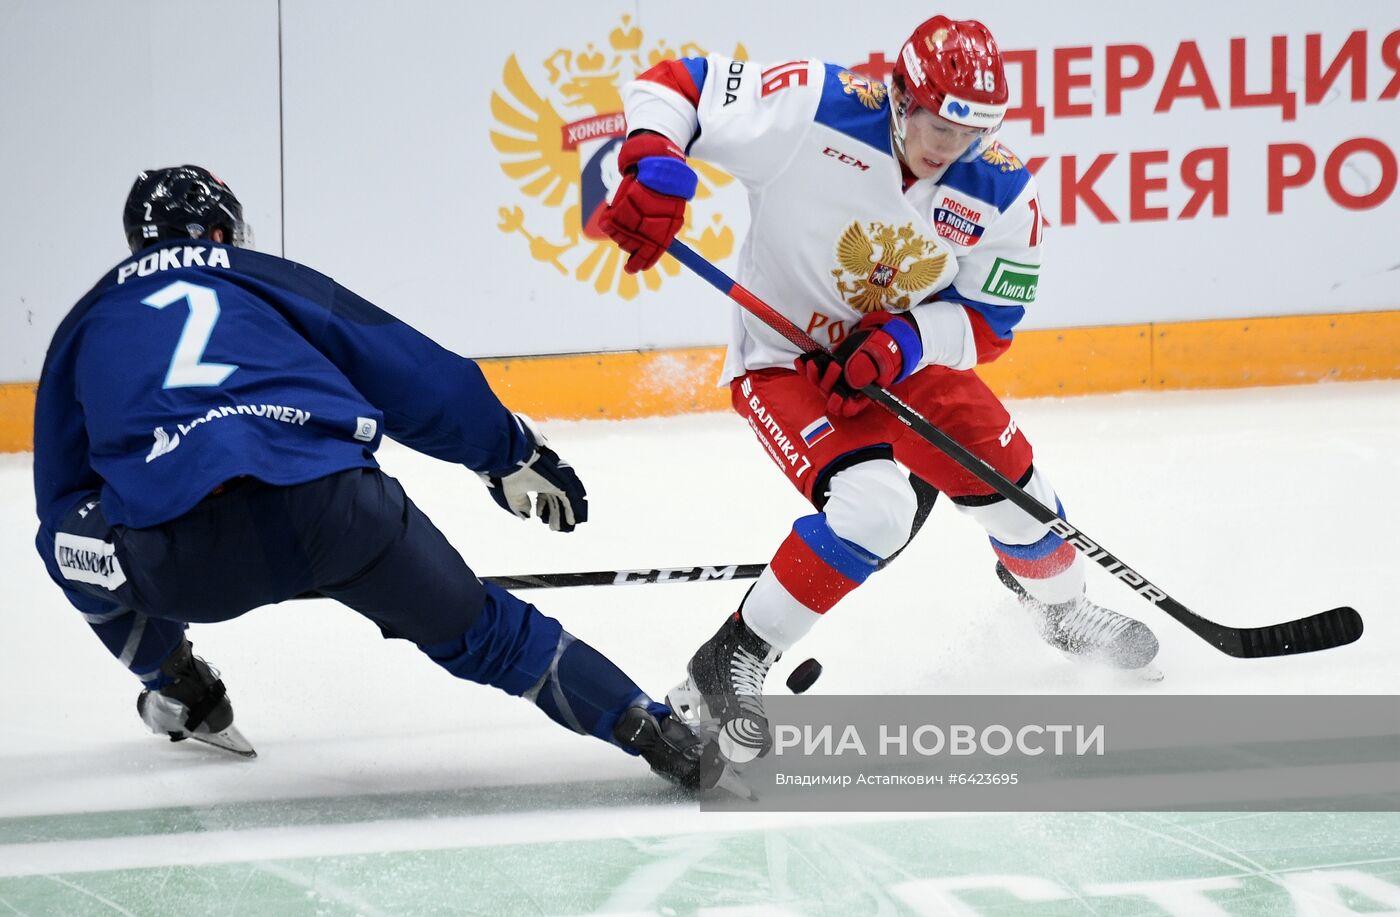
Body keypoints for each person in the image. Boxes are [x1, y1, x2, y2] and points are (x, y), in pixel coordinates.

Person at [33, 165, 718, 789]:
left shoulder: (82, 324)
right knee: (490, 631)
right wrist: (506, 451)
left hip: (180, 556)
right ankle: (652, 727)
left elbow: (61, 503)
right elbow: (406, 367)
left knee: (67, 546)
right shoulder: (256, 274)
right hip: (337, 508)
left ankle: (179, 686)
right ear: (218, 233)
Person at [600, 17, 1160, 762]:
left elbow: (991, 321)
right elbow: (677, 85)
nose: (946, 147)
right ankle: (730, 659)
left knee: (1025, 501)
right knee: (876, 510)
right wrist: (652, 159)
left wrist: (905, 341)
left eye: (969, 132)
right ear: (900, 95)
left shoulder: (998, 189)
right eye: (934, 124)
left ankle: (1062, 612)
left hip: (906, 365)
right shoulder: (813, 105)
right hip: (785, 358)